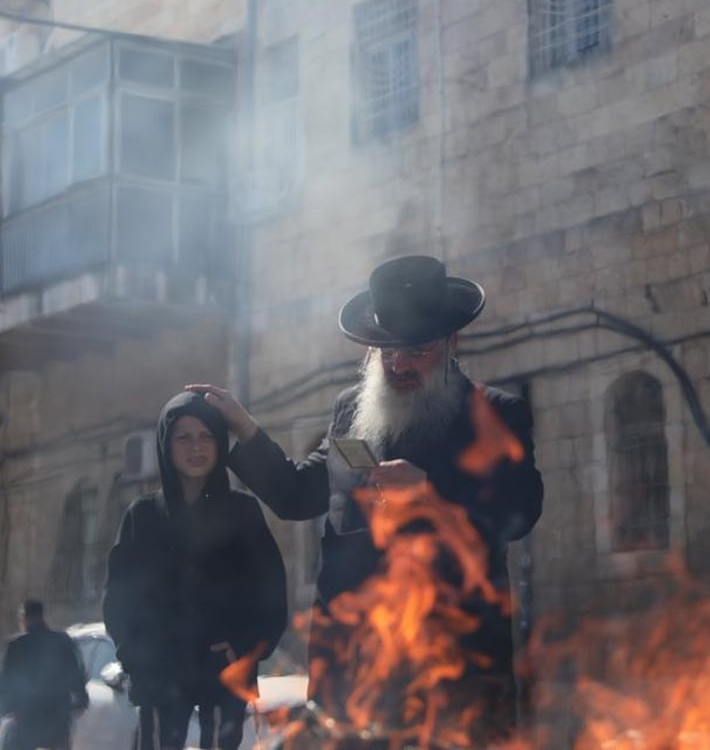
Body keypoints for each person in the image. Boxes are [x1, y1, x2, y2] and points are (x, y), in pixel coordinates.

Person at [189, 254, 544, 746]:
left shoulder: (496, 414)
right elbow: (297, 495)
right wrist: (242, 430)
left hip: (451, 677)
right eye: (386, 350)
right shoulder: (350, 412)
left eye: (416, 350)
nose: (398, 364)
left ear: (450, 342)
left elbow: (522, 510)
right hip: (353, 676)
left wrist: (432, 492)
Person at [102, 392, 288, 750]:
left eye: (206, 437)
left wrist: (246, 649)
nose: (196, 448)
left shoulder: (242, 512)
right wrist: (138, 655)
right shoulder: (143, 516)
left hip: (225, 665)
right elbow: (119, 596)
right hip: (160, 668)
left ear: (219, 444)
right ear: (165, 444)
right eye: (184, 437)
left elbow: (270, 589)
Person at [0, 599, 89, 750]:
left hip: (27, 715)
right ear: (42, 616)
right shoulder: (61, 641)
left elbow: (7, 681)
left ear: (24, 618)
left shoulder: (16, 646)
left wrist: (6, 708)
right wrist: (81, 699)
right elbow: (75, 671)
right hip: (57, 711)